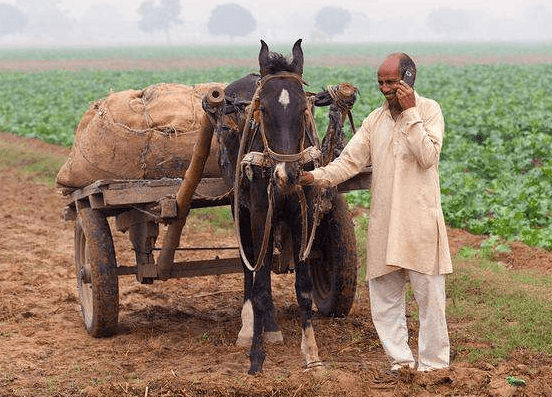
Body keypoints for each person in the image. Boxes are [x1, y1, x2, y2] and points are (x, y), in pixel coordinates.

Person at [300, 53, 453, 372]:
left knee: (430, 300)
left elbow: (428, 157)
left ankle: (434, 366)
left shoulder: (429, 111)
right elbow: (349, 161)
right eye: (380, 83)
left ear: (408, 80)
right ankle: (401, 362)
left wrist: (410, 111)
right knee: (384, 300)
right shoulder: (374, 121)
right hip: (385, 223)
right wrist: (316, 177)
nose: (384, 89)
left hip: (420, 223)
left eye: (391, 82)